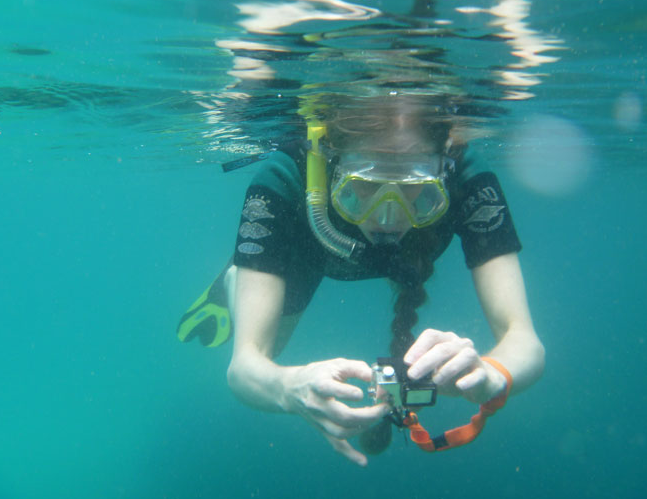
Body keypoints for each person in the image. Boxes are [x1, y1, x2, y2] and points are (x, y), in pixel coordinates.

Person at [177, 94, 545, 466]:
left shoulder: (468, 177)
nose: (388, 216)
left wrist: (492, 374)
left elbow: (525, 343)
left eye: (414, 185)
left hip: (342, 248)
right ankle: (238, 276)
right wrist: (290, 388)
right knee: (271, 350)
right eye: (365, 185)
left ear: (442, 171)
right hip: (308, 253)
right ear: (330, 167)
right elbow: (245, 368)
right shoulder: (283, 178)